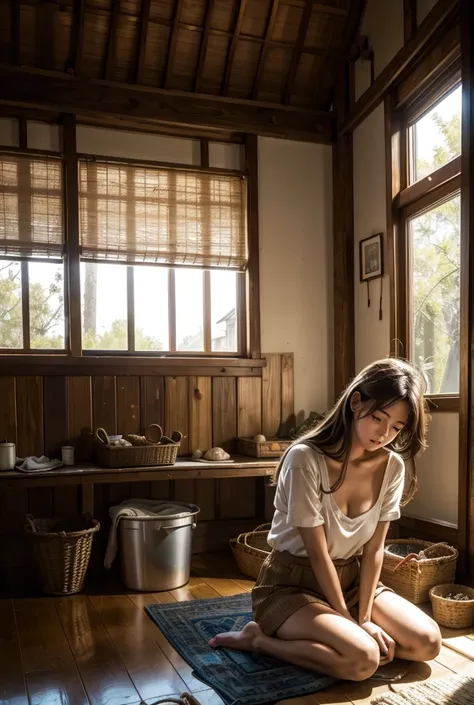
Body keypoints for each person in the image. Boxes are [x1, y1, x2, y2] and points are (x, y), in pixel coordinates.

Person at [209, 358, 442, 681]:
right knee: (363, 660)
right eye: (378, 418)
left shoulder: (392, 468)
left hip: (352, 581)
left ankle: (342, 644)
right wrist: (353, 624)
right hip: (290, 585)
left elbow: (374, 551)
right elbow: (317, 555)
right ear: (356, 401)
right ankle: (260, 640)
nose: (384, 434)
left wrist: (364, 620)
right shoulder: (305, 459)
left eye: (397, 427)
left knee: (427, 644)